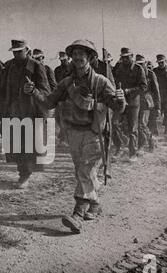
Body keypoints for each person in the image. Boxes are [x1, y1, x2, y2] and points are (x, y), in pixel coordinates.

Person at [23, 39, 126, 234]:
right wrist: (34, 92)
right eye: (75, 54)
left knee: (86, 170)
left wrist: (121, 100)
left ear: (90, 58)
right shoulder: (67, 82)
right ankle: (94, 204)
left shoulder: (101, 82)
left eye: (82, 54)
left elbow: (117, 108)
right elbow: (48, 103)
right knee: (82, 171)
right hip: (73, 133)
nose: (78, 57)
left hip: (94, 133)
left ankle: (78, 214)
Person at [0, 39, 50, 189]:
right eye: (14, 51)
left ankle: (25, 175)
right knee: (16, 145)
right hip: (12, 110)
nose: (16, 54)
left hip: (30, 111)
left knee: (28, 145)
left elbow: (46, 91)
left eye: (19, 51)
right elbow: (3, 89)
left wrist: (33, 90)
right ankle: (22, 172)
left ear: (27, 50)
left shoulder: (36, 66)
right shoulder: (8, 66)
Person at [113, 47, 148, 161]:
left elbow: (143, 86)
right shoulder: (118, 67)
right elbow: (112, 80)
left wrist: (128, 91)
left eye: (127, 57)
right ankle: (119, 147)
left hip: (133, 102)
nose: (125, 59)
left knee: (133, 128)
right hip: (120, 101)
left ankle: (132, 153)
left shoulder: (138, 69)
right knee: (115, 124)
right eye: (123, 57)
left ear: (132, 56)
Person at [136, 54, 160, 153]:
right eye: (138, 64)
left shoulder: (150, 74)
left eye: (142, 64)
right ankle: (149, 140)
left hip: (147, 102)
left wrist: (158, 107)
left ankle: (146, 142)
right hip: (136, 101)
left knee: (142, 124)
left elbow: (156, 91)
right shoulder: (135, 73)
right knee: (138, 125)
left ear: (145, 63)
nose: (141, 66)